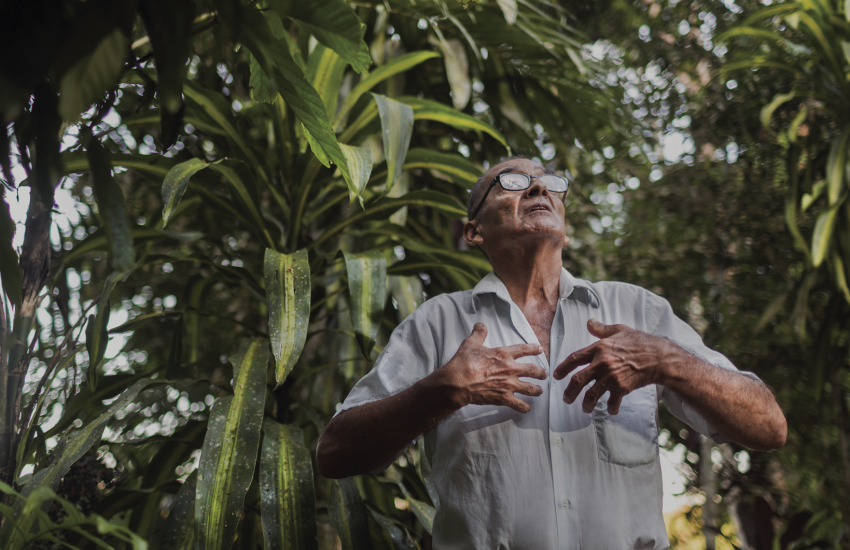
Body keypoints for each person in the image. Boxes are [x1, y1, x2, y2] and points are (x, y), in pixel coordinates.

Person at [317, 157, 787, 549]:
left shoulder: (637, 310)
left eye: (549, 183)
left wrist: (669, 361)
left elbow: (768, 426)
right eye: (514, 182)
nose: (539, 188)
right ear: (474, 231)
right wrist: (440, 391)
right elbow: (334, 453)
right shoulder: (438, 324)